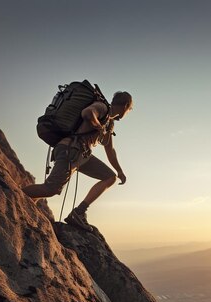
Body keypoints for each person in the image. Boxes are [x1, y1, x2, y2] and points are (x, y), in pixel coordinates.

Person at [23, 91, 133, 231]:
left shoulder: (109, 122)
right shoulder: (102, 107)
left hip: (82, 155)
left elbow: (109, 150)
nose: (128, 112)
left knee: (110, 177)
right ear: (125, 106)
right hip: (70, 150)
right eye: (129, 109)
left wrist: (119, 171)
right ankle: (12, 194)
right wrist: (99, 126)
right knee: (51, 189)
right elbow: (87, 113)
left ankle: (79, 212)